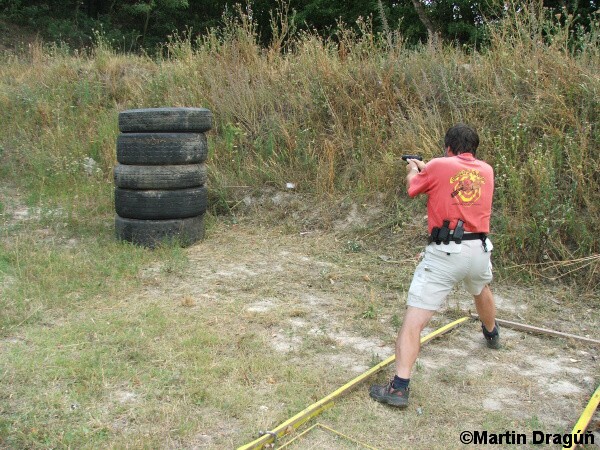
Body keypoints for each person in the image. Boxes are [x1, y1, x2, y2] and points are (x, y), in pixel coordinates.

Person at [369, 123, 500, 409]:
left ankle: (399, 387)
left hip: (446, 254)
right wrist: (430, 167)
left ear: (448, 147)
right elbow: (455, 176)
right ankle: (491, 334)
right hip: (479, 249)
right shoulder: (486, 170)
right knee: (480, 288)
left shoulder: (439, 165)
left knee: (413, 322)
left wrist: (413, 169)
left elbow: (414, 188)